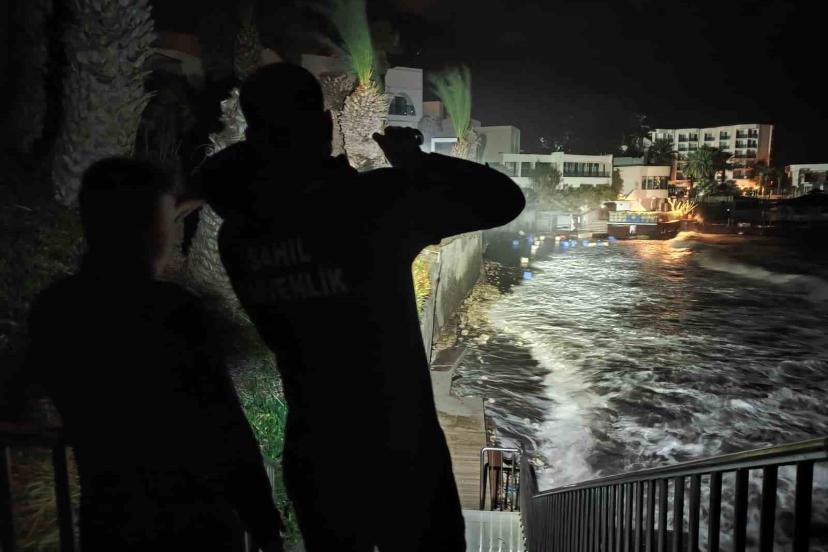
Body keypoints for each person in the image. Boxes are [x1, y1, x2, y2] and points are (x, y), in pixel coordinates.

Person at [197, 63, 525, 551]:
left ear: (253, 135)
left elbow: (223, 182)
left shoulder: (240, 236)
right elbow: (503, 200)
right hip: (402, 452)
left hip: (318, 455)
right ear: (326, 126)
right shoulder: (372, 205)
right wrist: (413, 162)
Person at [17, 158, 283, 551]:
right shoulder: (173, 311)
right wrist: (262, 518)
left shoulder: (55, 308)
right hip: (191, 521)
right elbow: (224, 422)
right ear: (154, 229)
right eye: (168, 219)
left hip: (109, 518)